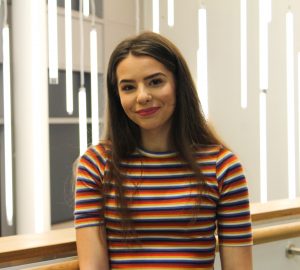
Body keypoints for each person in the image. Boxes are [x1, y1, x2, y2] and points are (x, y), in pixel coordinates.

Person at [74, 31, 253, 270]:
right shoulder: (97, 164)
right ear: (117, 96)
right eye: (128, 87)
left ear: (179, 85)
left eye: (155, 82)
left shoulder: (222, 166)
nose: (143, 96)